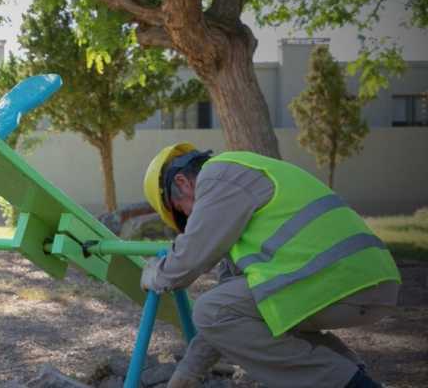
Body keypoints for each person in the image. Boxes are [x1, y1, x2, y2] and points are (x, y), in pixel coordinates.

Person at [140, 142, 400, 388]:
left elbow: (191, 256)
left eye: (182, 212)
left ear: (182, 182)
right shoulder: (241, 188)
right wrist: (187, 374)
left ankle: (351, 384)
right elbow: (224, 318)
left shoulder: (218, 175)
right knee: (239, 313)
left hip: (338, 276)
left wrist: (156, 274)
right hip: (360, 277)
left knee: (211, 310)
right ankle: (353, 375)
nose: (189, 220)